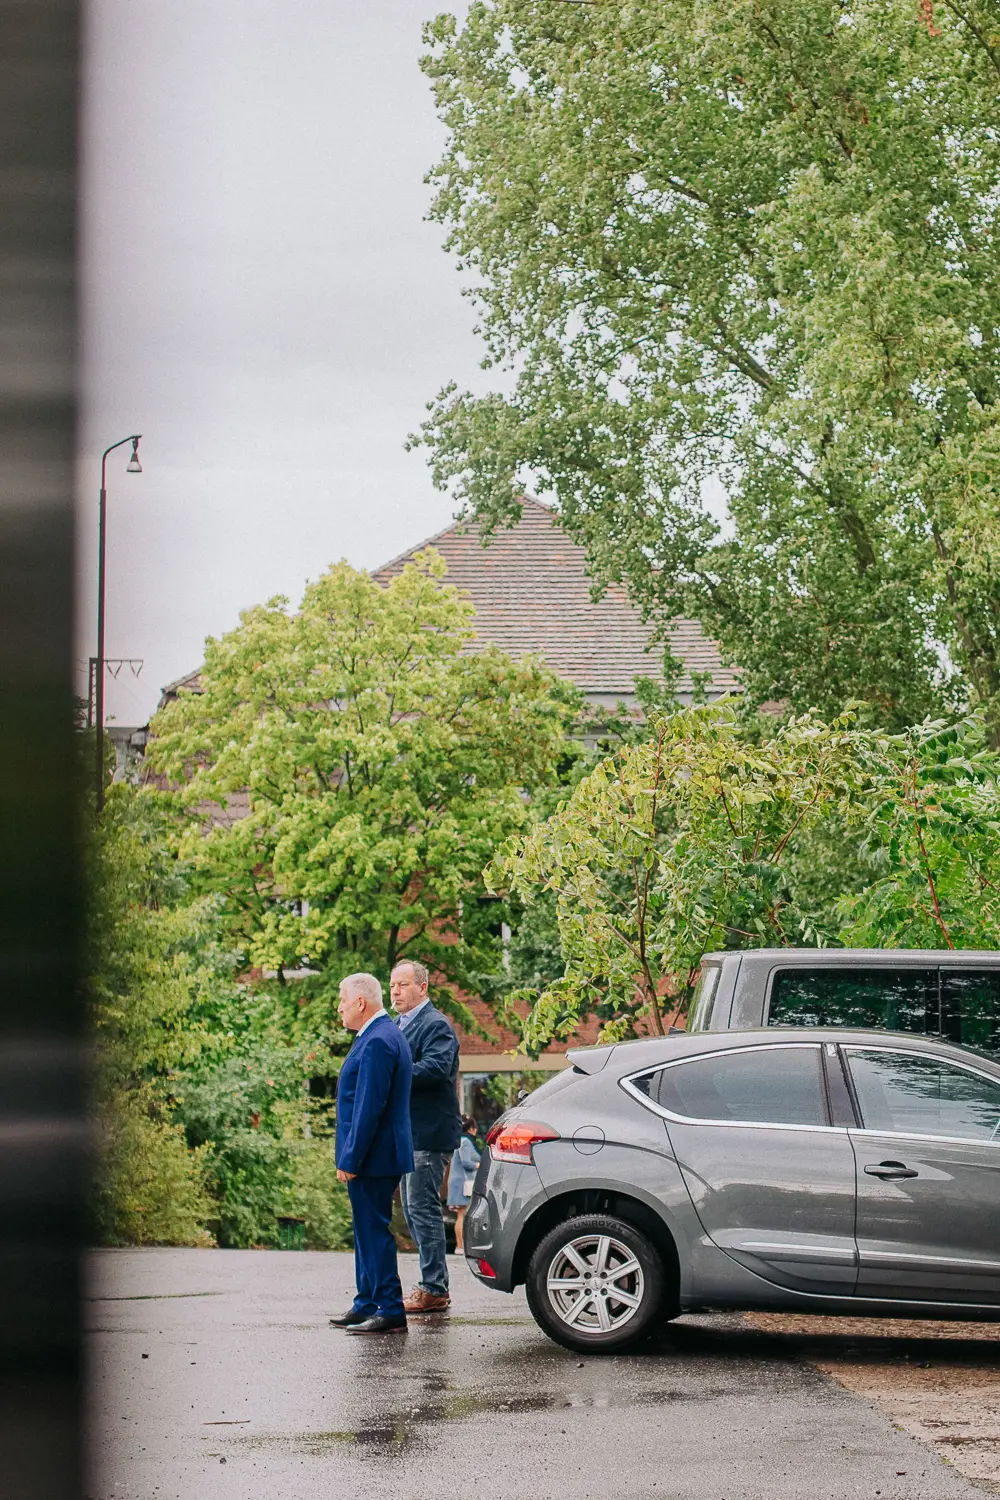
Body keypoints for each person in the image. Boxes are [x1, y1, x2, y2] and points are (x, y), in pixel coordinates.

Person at [329, 972, 413, 1335]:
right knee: (364, 1230)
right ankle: (366, 1301)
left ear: (360, 1003)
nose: (340, 1008)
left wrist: (351, 1158)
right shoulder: (376, 1034)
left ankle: (390, 1308)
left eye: (343, 1001)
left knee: (373, 1230)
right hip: (375, 1154)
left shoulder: (379, 1040)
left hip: (374, 1156)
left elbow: (368, 1107)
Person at [390, 960, 460, 1312]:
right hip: (408, 1134)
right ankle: (432, 1284)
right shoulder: (396, 1025)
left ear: (423, 988)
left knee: (423, 1209)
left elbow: (435, 1068)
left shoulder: (435, 1025)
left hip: (429, 1134)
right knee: (413, 1211)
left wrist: (392, 1071)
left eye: (402, 985)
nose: (396, 992)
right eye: (392, 986)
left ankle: (434, 1288)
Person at [447, 1115, 481, 1253]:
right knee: (462, 1214)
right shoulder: (465, 1141)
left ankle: (460, 1246)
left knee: (463, 1214)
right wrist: (479, 1165)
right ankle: (460, 1246)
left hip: (459, 1181)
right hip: (462, 1182)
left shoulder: (460, 1140)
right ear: (472, 1129)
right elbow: (466, 1162)